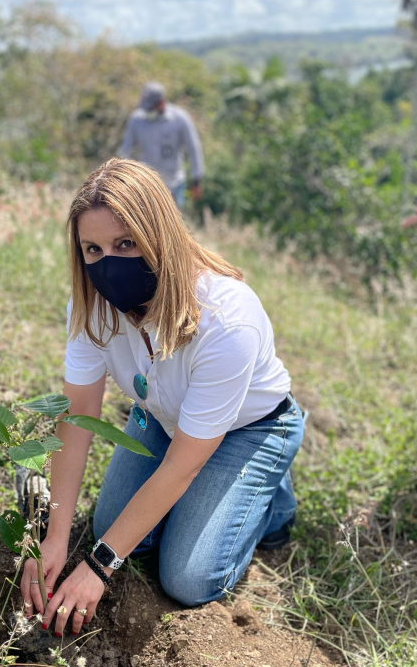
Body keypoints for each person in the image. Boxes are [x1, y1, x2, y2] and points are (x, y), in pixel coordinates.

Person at [21, 158, 304, 637]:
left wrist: (99, 566)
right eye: (92, 248)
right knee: (115, 527)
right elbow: (79, 415)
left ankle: (273, 496)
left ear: (160, 235)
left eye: (125, 243)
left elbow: (182, 464)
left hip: (248, 427)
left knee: (187, 578)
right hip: (159, 415)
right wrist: (53, 539)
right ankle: (217, 495)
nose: (107, 262)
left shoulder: (227, 320)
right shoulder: (92, 307)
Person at [119, 82, 204, 210]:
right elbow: (126, 151)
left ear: (161, 104)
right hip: (146, 184)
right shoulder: (136, 119)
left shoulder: (180, 119)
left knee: (173, 224)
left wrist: (196, 180)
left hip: (174, 183)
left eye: (150, 108)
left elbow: (194, 149)